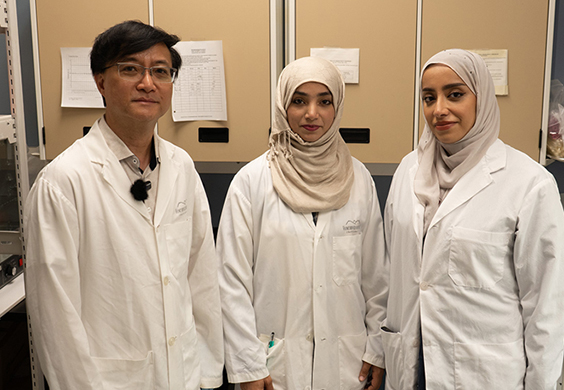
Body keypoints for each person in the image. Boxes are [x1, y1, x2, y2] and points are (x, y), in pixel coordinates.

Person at [24, 20, 223, 390]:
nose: (148, 83)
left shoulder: (181, 166)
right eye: (130, 69)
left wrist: (208, 374)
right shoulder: (63, 182)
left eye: (161, 72)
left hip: (185, 373)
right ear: (101, 81)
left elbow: (201, 277)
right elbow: (55, 315)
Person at [381, 48, 564, 389]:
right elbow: (393, 272)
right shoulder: (408, 170)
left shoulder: (529, 183)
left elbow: (545, 307)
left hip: (483, 374)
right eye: (428, 97)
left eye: (455, 94)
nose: (439, 109)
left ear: (481, 98)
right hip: (410, 365)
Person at [216, 56, 387, 390]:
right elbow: (230, 282)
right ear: (283, 106)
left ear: (337, 107)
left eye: (324, 101)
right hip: (271, 367)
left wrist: (377, 349)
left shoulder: (359, 179)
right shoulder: (252, 181)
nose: (312, 113)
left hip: (348, 365)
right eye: (299, 101)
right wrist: (247, 365)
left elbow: (377, 278)